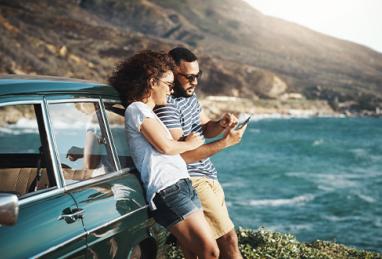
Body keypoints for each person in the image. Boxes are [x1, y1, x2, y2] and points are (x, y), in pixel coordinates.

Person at [109, 50, 220, 259]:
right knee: (210, 251)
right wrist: (190, 143)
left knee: (194, 253)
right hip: (167, 189)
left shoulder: (148, 113)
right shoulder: (137, 109)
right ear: (152, 82)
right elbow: (166, 147)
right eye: (168, 85)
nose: (171, 91)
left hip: (182, 184)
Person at [154, 47, 247, 259]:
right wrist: (225, 143)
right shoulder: (166, 107)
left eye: (198, 76)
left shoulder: (190, 96)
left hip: (209, 175)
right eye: (189, 77)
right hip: (192, 178)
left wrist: (220, 124)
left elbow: (204, 127)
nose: (195, 82)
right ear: (171, 73)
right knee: (228, 240)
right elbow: (182, 155)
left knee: (202, 248)